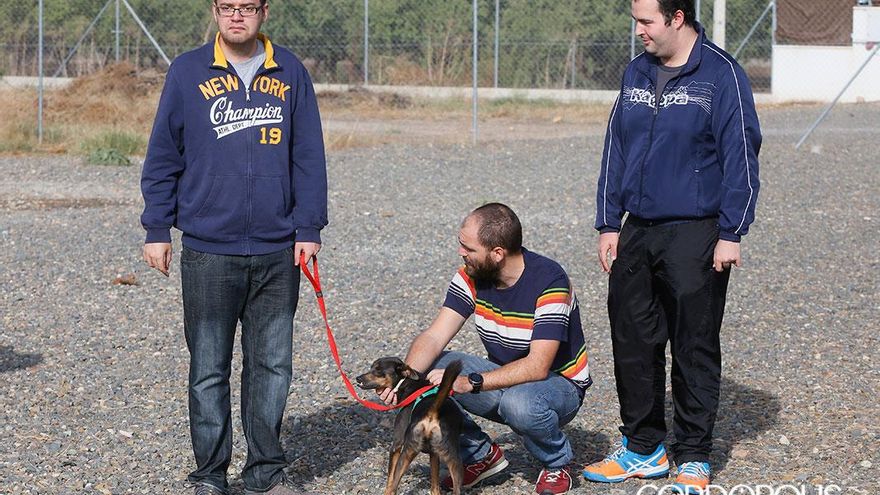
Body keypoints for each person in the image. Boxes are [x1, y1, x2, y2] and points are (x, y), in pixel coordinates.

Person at [140, 1, 327, 494]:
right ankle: (210, 476)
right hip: (209, 249)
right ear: (215, 11)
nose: (236, 16)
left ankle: (265, 473)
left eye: (247, 7)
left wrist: (308, 227)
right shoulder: (187, 71)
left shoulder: (290, 72)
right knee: (208, 369)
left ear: (264, 12)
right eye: (227, 6)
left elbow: (308, 155)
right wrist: (157, 228)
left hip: (277, 249)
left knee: (272, 367)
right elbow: (163, 154)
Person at [582, 0, 761, 493]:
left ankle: (694, 456)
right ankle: (643, 448)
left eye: (646, 21)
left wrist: (732, 232)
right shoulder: (636, 72)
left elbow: (741, 154)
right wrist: (608, 223)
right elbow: (616, 148)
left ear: (677, 17)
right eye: (636, 20)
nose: (638, 30)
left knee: (693, 344)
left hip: (696, 232)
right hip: (636, 229)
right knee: (633, 340)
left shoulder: (721, 75)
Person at [379, 203, 592, 495]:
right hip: (504, 376)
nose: (461, 252)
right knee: (429, 369)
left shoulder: (549, 281)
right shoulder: (471, 274)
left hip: (558, 384)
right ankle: (480, 456)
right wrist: (405, 381)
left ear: (497, 253)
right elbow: (434, 337)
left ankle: (556, 462)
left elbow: (538, 366)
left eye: (468, 248)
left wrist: (470, 382)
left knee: (519, 404)